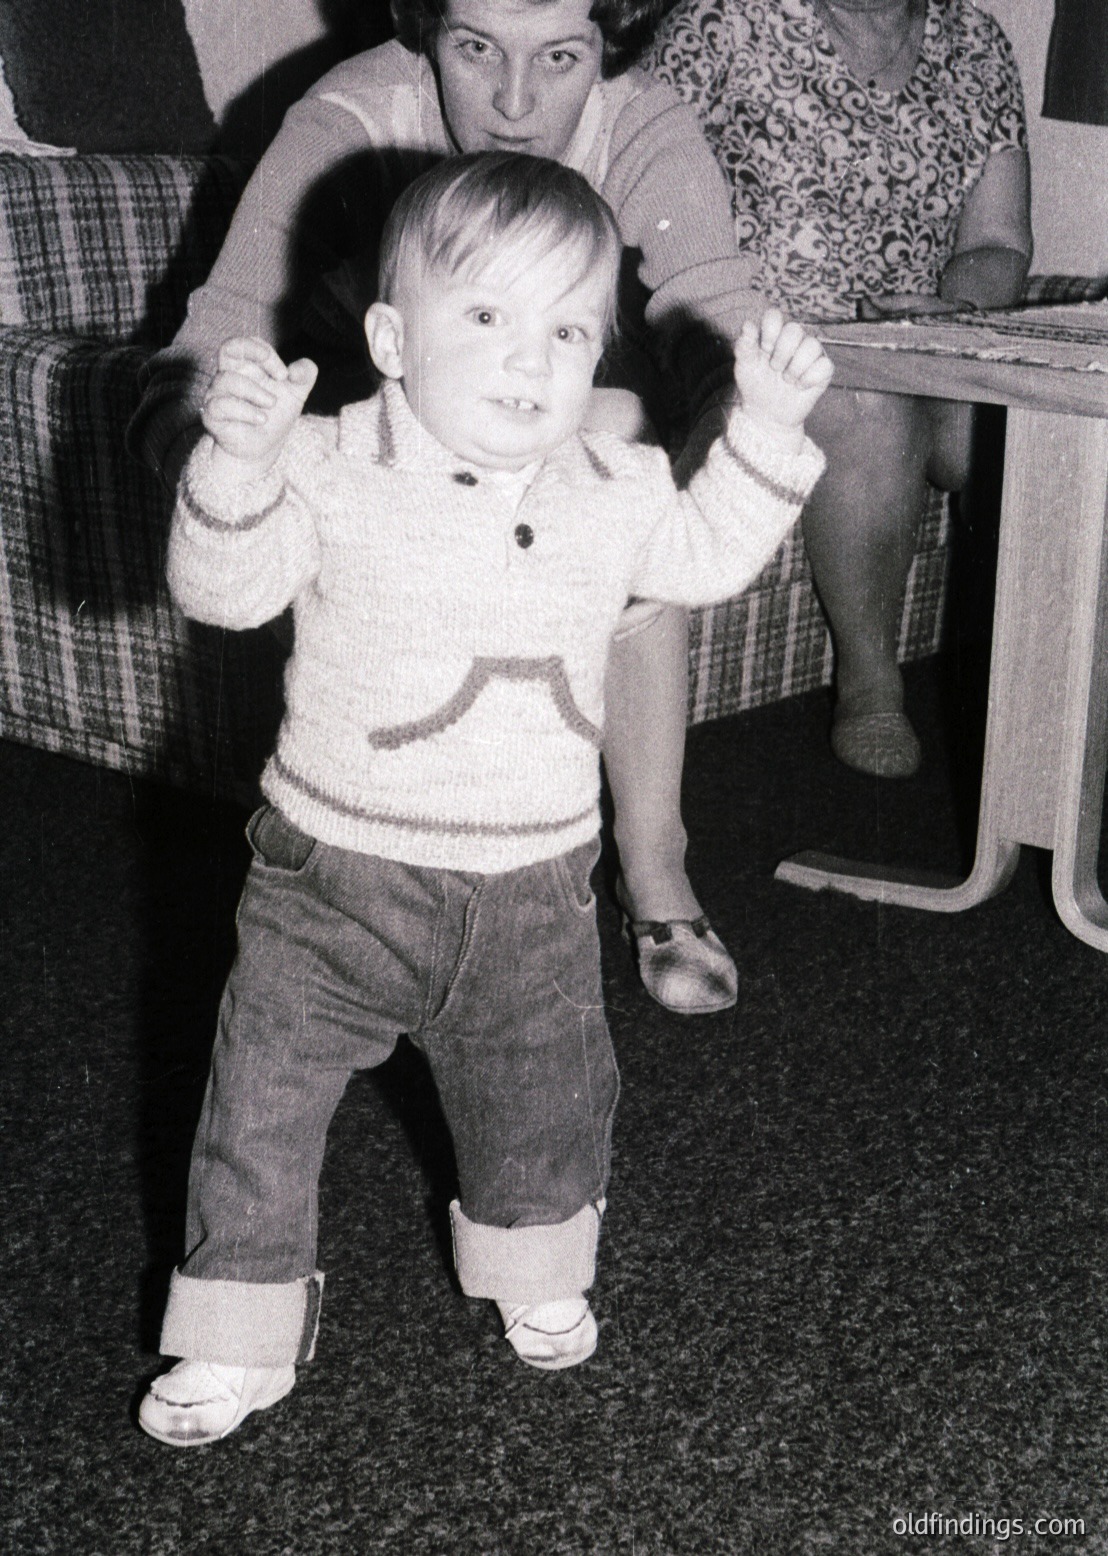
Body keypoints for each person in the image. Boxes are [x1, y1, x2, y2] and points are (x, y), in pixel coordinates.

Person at [136, 152, 832, 1445]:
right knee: (259, 1101)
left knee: (544, 1098)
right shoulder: (332, 460)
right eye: (488, 317)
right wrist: (235, 467)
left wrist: (769, 432)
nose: (531, 360)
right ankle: (236, 1325)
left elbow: (705, 554)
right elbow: (224, 592)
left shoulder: (612, 484)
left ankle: (535, 1270)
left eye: (568, 327)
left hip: (532, 890)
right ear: (393, 340)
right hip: (331, 877)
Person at [128, 0, 769, 1015]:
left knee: (611, 430)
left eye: (559, 58)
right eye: (476, 50)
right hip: (371, 425)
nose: (514, 105)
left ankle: (653, 863)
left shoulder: (645, 123)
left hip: (562, 421)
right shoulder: (347, 115)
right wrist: (231, 463)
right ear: (425, 28)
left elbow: (729, 340)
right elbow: (213, 337)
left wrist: (658, 507)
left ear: (608, 44)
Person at [648, 0, 1033, 777]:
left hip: (923, 344)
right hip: (750, 349)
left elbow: (997, 242)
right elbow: (640, 192)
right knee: (870, 407)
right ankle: (872, 683)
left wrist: (952, 314)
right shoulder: (722, 23)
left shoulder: (980, 43)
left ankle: (1050, 683)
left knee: (1044, 429)